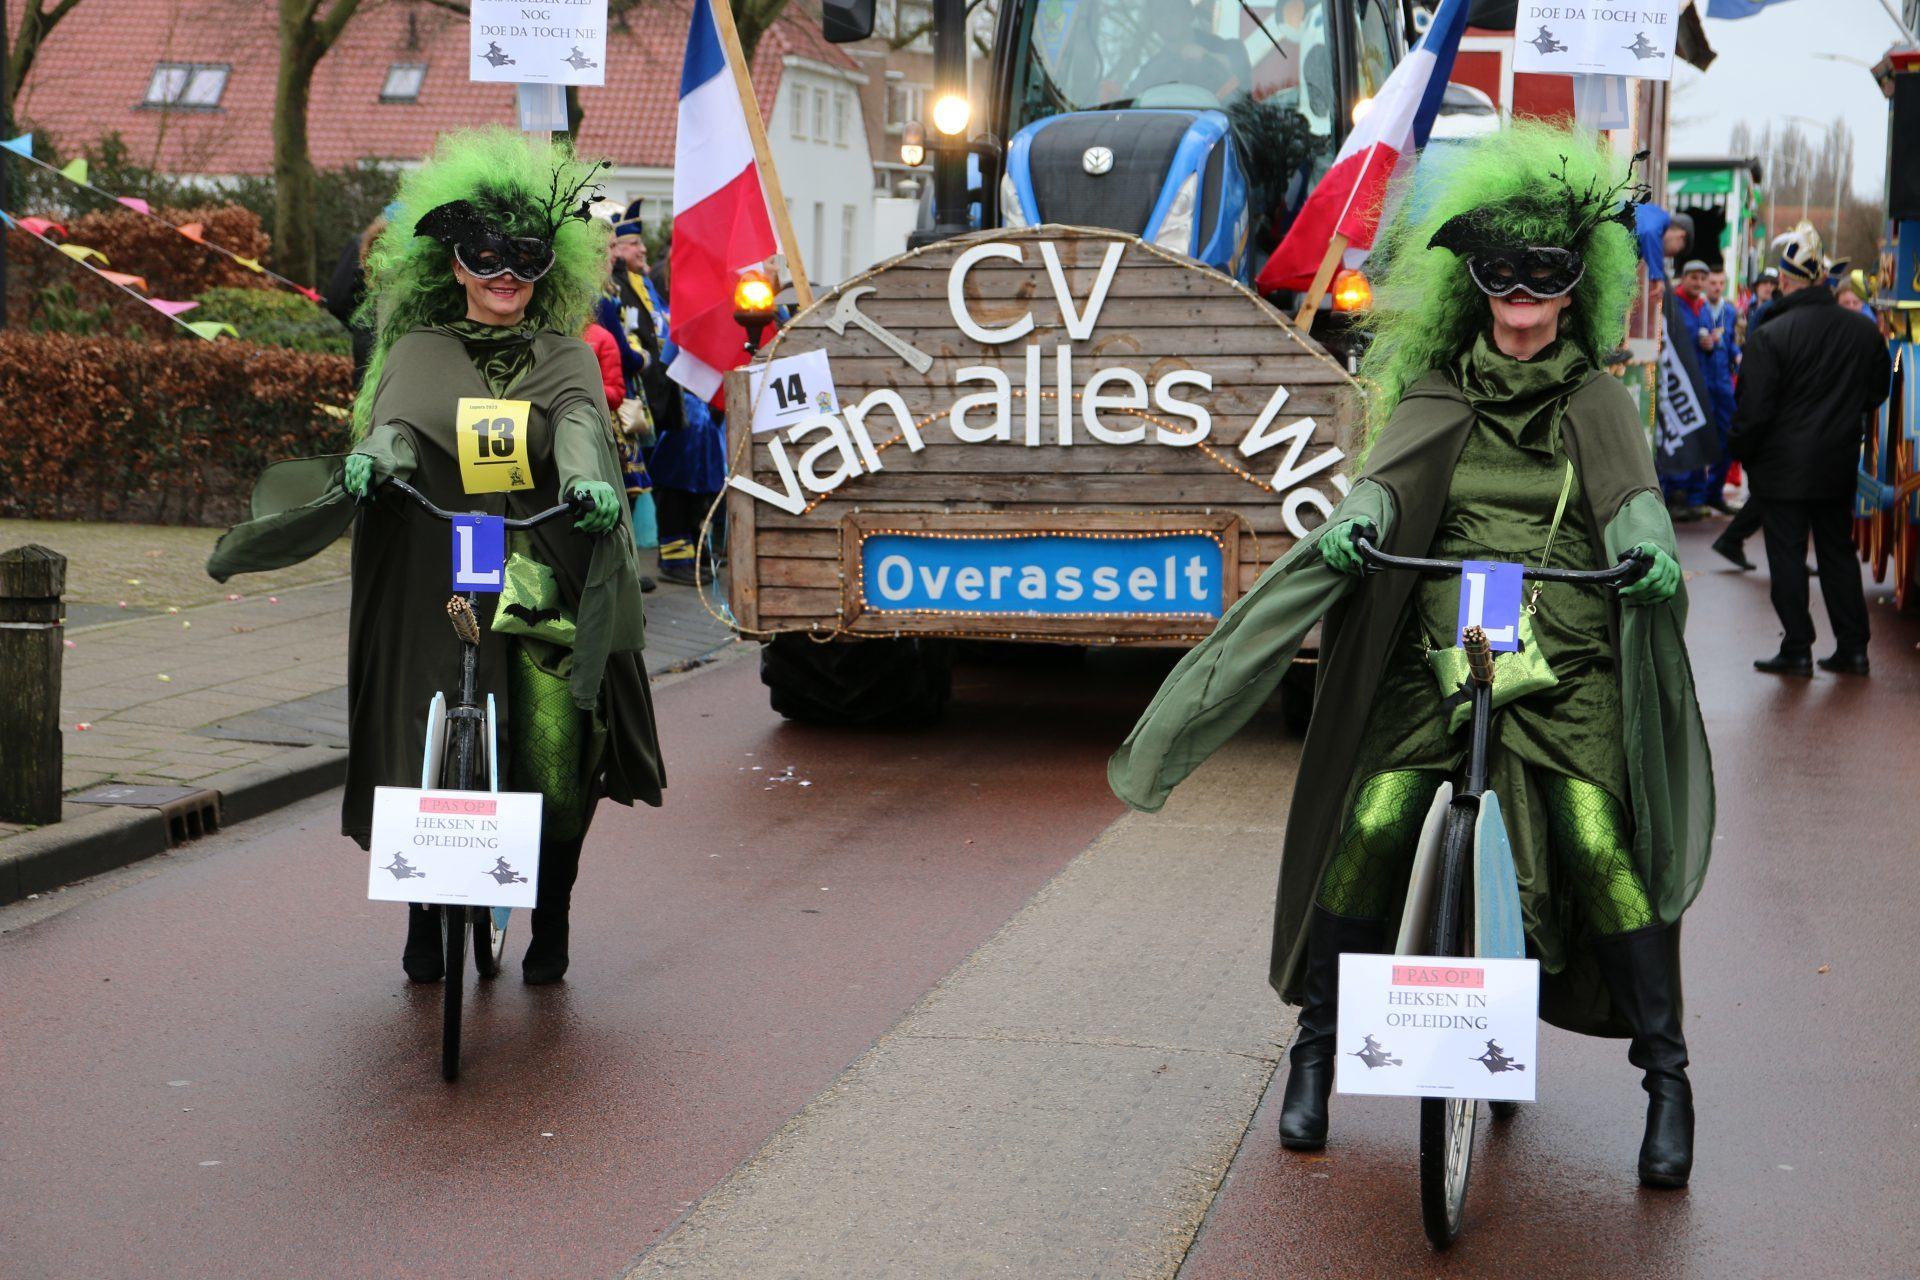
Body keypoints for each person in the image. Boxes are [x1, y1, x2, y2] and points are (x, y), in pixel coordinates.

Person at [1109, 125, 1713, 1189]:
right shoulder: (1438, 390)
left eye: (1545, 272)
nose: (1522, 294)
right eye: (1502, 271)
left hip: (1567, 647)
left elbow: (1632, 503)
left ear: (1577, 284)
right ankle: (1316, 1051)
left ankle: (1667, 1080)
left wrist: (1651, 551)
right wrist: (1358, 520)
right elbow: (1386, 484)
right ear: (1473, 281)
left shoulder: (1597, 401)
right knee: (1378, 815)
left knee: (1594, 834)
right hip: (1445, 641)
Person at [208, 129, 666, 985]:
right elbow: (398, 428)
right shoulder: (417, 350)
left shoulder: (565, 353)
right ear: (452, 263)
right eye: (484, 255)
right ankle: (423, 909)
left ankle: (552, 914)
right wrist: (372, 458)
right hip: (441, 561)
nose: (504, 274)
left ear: (549, 267)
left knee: (557, 743)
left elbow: (577, 423)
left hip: (537, 567)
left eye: (524, 257)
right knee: (419, 716)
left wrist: (586, 480)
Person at [1731, 223, 1892, 677]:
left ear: (1785, 280)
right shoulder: (1862, 332)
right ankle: (1853, 648)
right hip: (1837, 461)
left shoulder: (1771, 334)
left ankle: (1797, 648)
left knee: (1787, 556)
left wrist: (1743, 450)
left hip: (1780, 466)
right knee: (1838, 553)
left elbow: (1754, 409)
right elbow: (1878, 390)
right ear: (1821, 280)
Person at [1668, 262, 1738, 516]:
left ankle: (1704, 495)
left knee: (1720, 437)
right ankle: (1679, 496)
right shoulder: (1672, 304)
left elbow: (1725, 342)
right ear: (1684, 278)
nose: (1699, 283)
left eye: (1702, 278)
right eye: (1694, 278)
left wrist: (1714, 345)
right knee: (1686, 437)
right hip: (1685, 383)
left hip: (1713, 383)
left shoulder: (1708, 308)